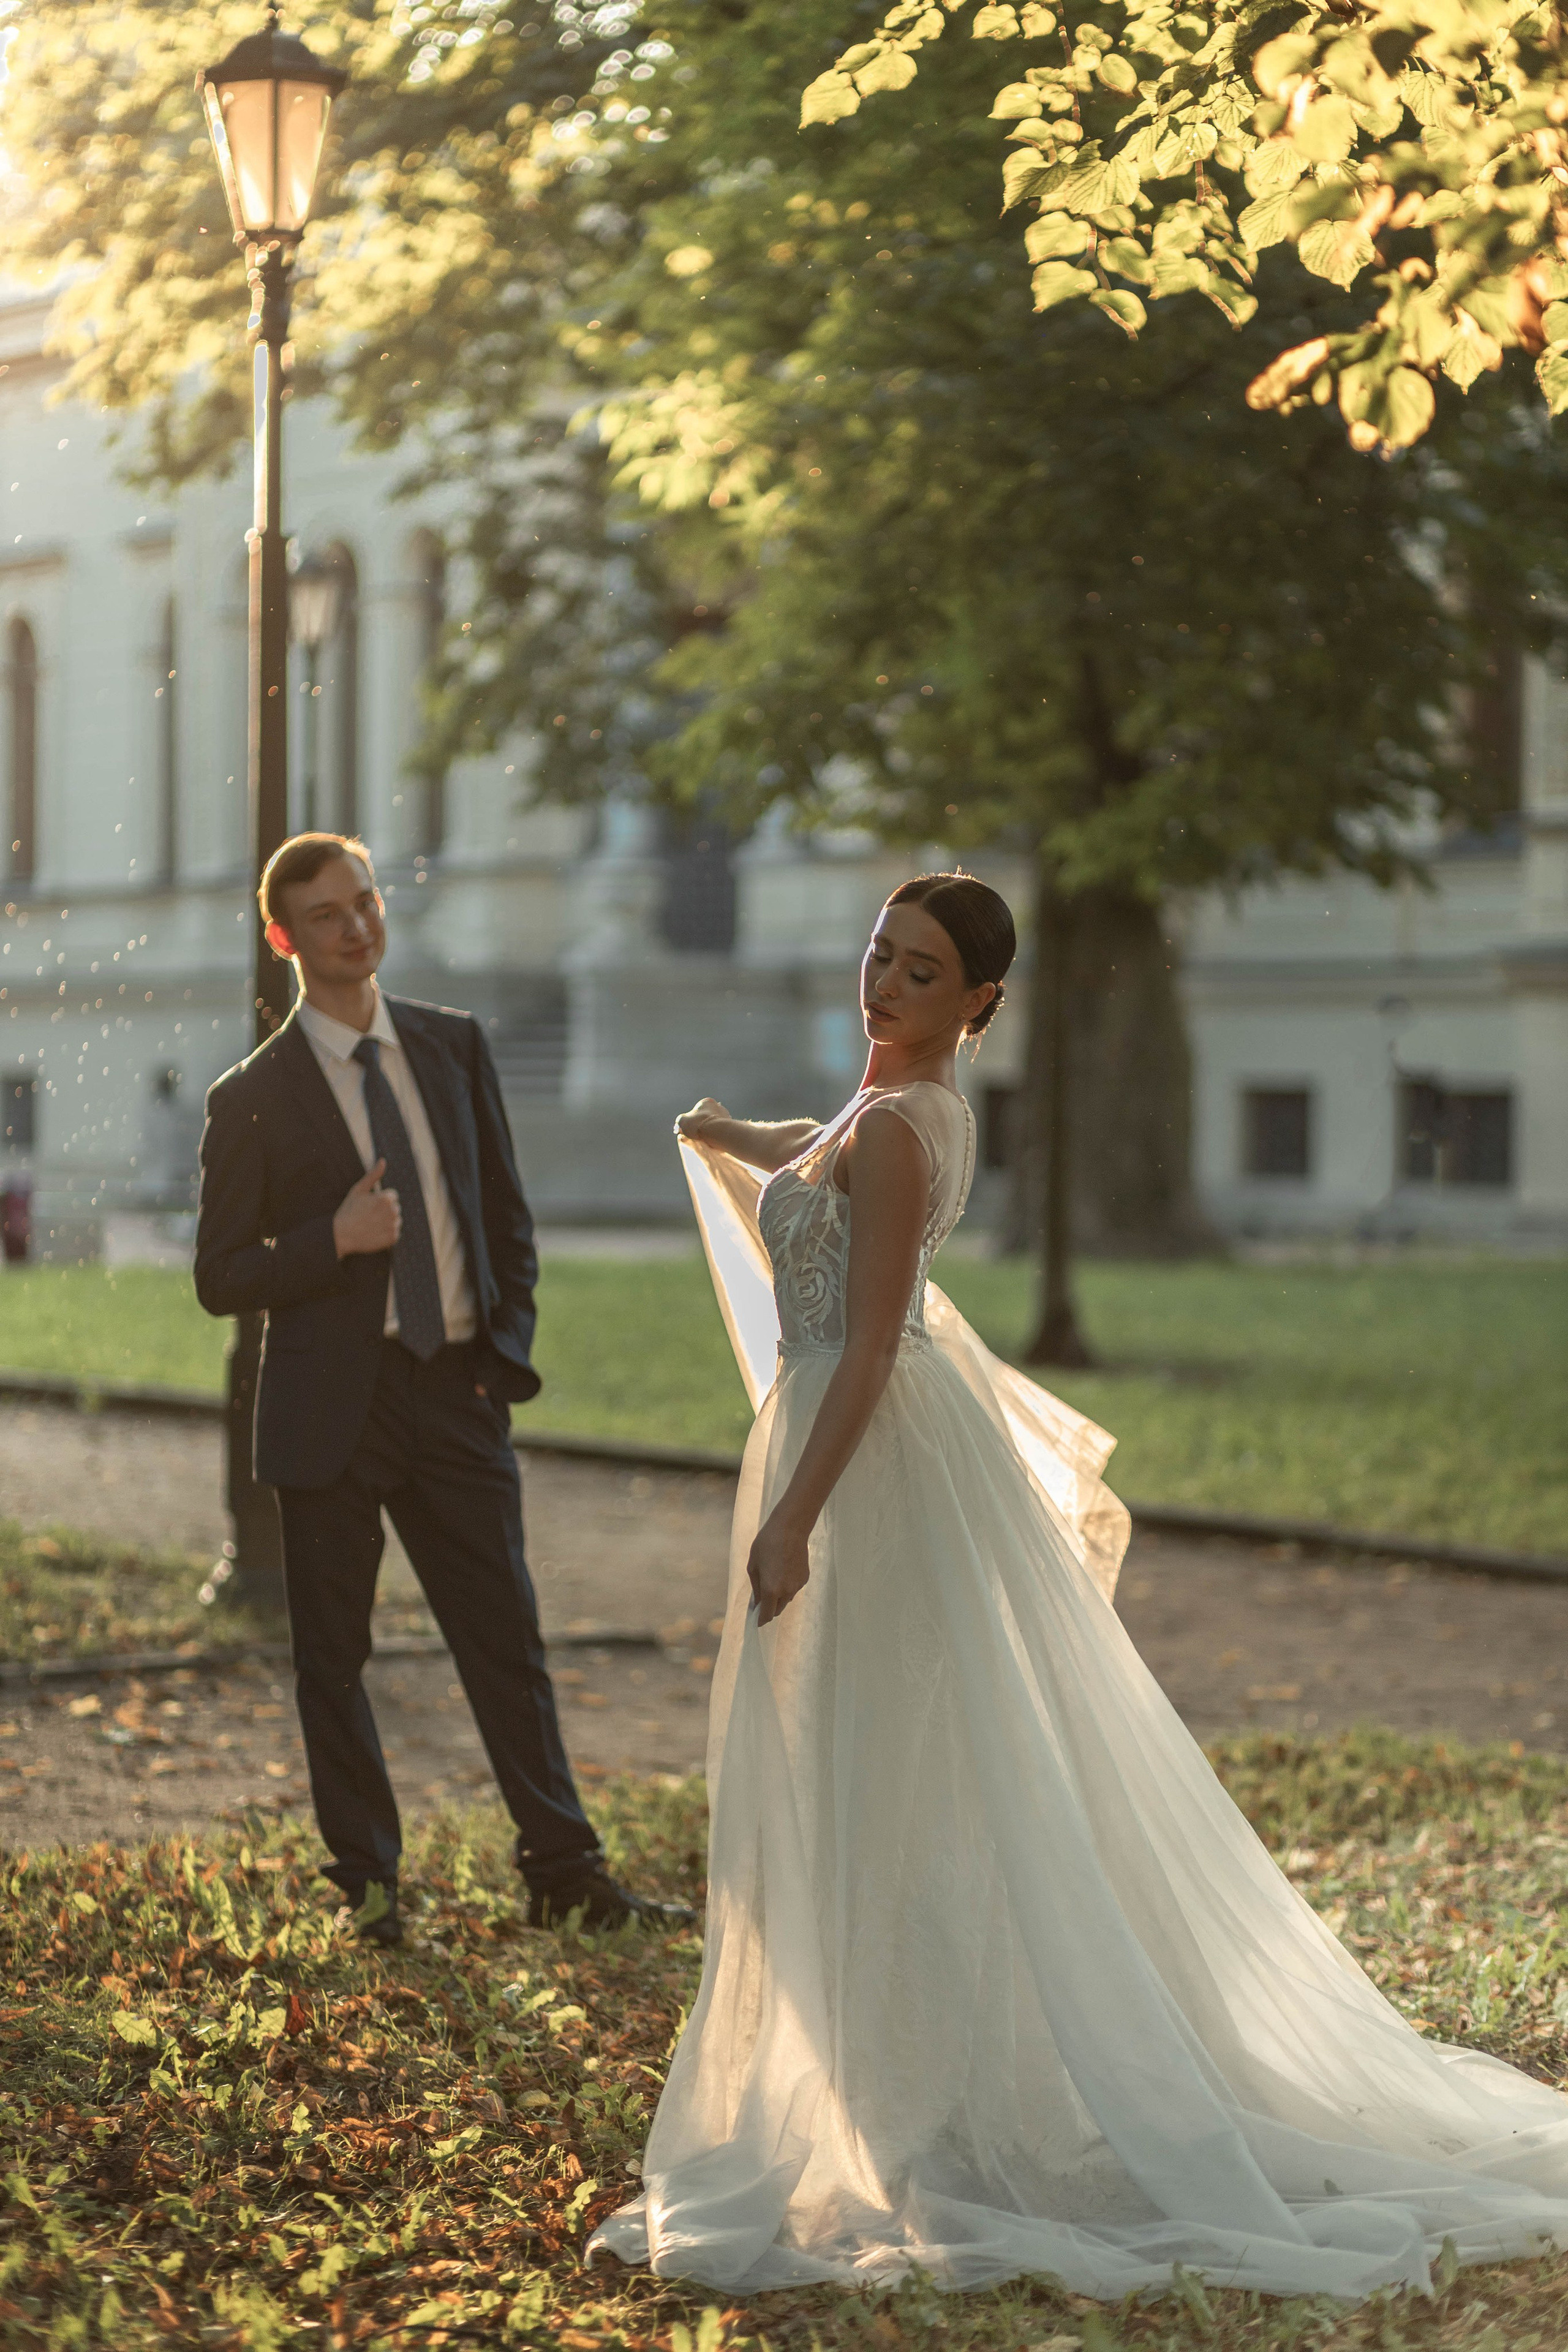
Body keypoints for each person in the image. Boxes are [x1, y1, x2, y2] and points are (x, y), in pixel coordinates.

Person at [591, 870, 1568, 2301]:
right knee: (867, 1765)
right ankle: (879, 2074)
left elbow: (865, 1348)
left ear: (977, 1003)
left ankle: (935, 2100)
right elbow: (821, 1148)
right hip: (843, 1442)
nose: (885, 986)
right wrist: (731, 1132)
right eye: (880, 955)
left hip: (869, 1467)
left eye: (920, 974)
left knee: (900, 1764)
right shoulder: (874, 1113)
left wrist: (795, 1516)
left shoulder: (916, 1131)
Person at [194, 831, 690, 1946]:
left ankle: (565, 1873)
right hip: (332, 1415)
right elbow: (221, 1276)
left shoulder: (452, 1046)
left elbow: (502, 1216)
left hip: (456, 1393)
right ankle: (369, 1893)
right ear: (284, 938)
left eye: (364, 902)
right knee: (335, 1661)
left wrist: (496, 1359)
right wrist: (335, 1236)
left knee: (506, 1644)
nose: (356, 926)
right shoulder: (254, 1098)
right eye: (325, 914)